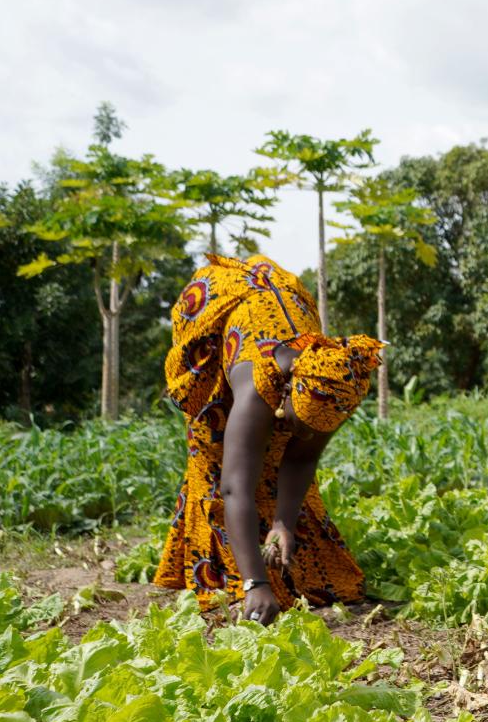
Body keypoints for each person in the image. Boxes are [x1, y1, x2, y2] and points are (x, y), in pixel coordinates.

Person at [153, 253, 382, 624]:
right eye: (301, 422)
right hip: (217, 327)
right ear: (288, 391)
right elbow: (233, 489)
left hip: (281, 310)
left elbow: (303, 457)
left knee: (281, 465)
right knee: (218, 458)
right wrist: (255, 583)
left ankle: (275, 541)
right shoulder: (253, 390)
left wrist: (283, 524)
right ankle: (230, 574)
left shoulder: (329, 383)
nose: (306, 434)